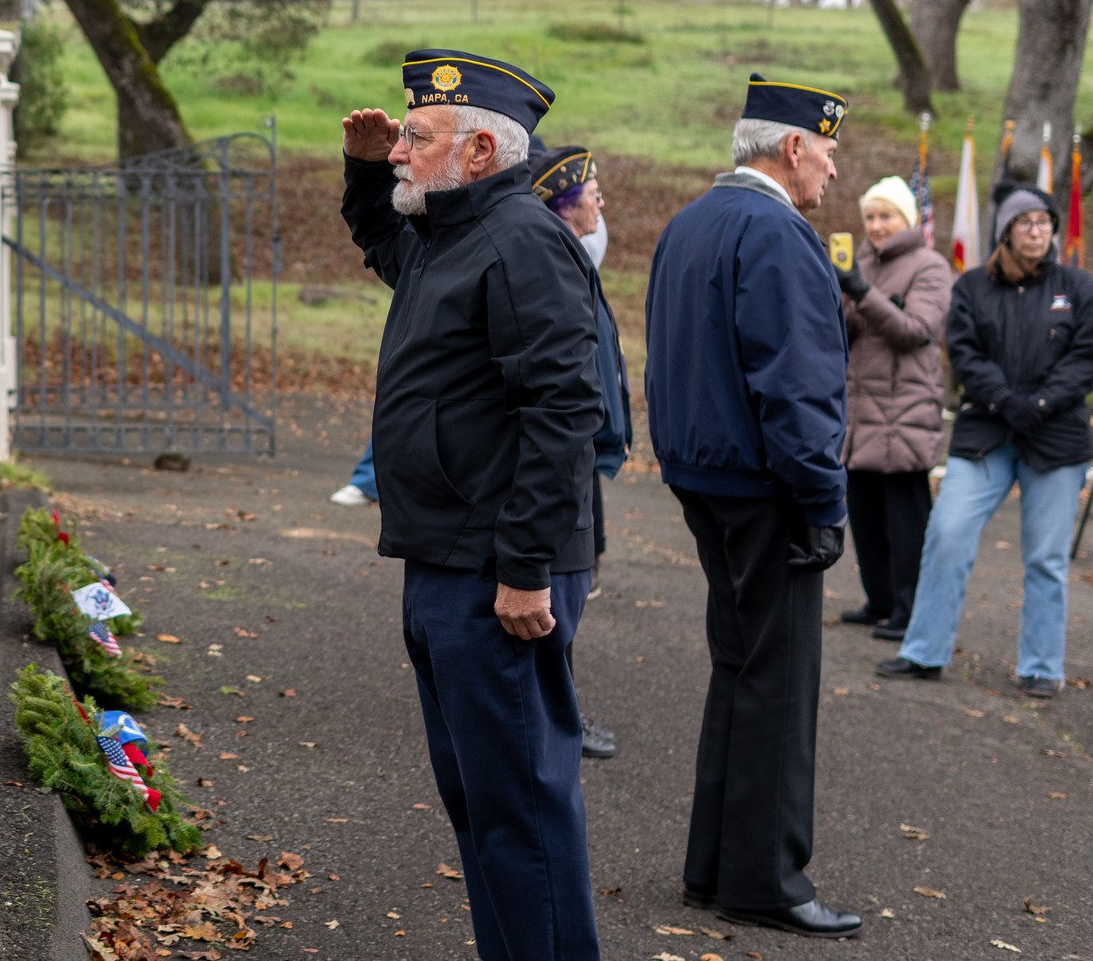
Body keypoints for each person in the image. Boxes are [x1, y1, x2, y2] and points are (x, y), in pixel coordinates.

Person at [343, 50, 603, 961]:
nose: (400, 150)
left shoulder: (520, 240)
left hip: (498, 575)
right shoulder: (448, 231)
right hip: (443, 559)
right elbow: (385, 242)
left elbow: (564, 409)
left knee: (521, 810)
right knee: (482, 806)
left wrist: (524, 567)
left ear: (481, 151)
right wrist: (364, 171)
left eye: (417, 137)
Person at [645, 74, 861, 938]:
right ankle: (765, 878)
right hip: (767, 485)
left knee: (739, 667)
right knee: (778, 681)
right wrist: (823, 499)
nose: (833, 171)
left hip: (705, 474)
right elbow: (796, 383)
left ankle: (714, 866)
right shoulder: (778, 232)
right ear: (793, 146)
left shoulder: (691, 221)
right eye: (829, 152)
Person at [879, 184, 1093, 699]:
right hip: (986, 433)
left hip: (1056, 437)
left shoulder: (1078, 286)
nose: (1037, 231)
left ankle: (1041, 666)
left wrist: (1039, 403)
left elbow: (1085, 357)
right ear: (1005, 232)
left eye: (1044, 222)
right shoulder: (973, 286)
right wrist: (1004, 400)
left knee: (1046, 557)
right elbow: (964, 354)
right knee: (947, 532)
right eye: (1025, 223)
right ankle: (924, 650)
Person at [529, 145, 628, 761]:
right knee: (557, 597)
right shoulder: (556, 264)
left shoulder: (573, 255)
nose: (601, 202)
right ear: (565, 202)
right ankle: (554, 725)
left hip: (582, 452)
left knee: (574, 582)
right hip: (566, 456)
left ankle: (558, 717)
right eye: (593, 193)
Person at [831, 176, 952, 642]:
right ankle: (879, 600)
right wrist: (838, 296)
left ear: (908, 219)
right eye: (870, 217)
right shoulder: (860, 264)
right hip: (860, 412)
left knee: (906, 522)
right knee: (864, 515)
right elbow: (843, 337)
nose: (877, 226)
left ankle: (910, 609)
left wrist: (861, 293)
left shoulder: (930, 266)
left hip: (905, 411)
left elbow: (915, 329)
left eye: (886, 216)